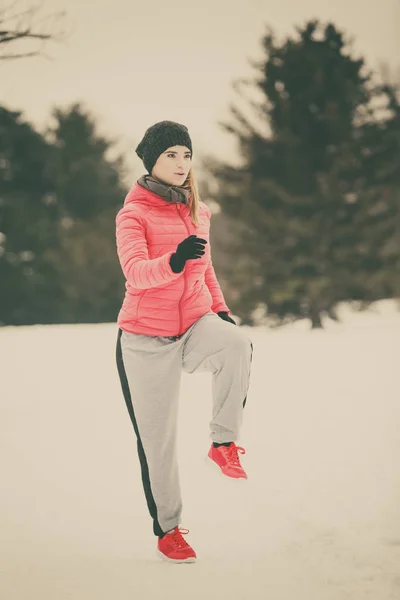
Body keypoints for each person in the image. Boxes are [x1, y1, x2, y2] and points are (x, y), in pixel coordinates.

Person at [115, 120, 253, 564]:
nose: (181, 163)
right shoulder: (132, 215)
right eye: (172, 154)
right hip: (144, 338)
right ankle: (169, 530)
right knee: (158, 442)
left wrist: (221, 308)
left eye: (187, 155)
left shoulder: (198, 210)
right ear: (152, 160)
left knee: (235, 343)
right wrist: (172, 260)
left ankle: (223, 442)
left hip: (193, 323)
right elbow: (136, 273)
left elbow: (206, 268)